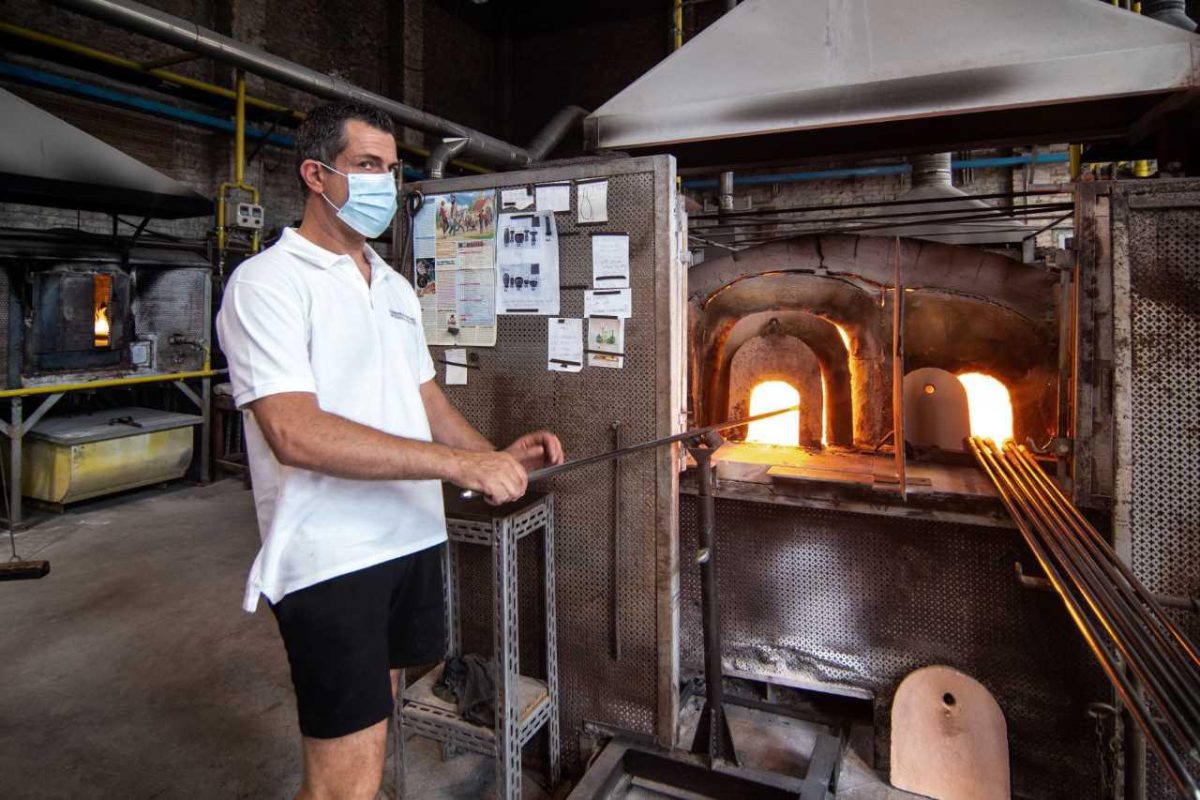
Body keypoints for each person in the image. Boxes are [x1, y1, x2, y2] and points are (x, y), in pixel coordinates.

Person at [216, 102, 564, 800]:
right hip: (331, 558)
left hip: (407, 538)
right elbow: (293, 431)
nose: (386, 182)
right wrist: (461, 467)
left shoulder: (395, 286)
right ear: (316, 174)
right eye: (367, 165)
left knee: (374, 738)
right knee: (343, 780)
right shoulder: (267, 283)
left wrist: (493, 456)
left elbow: (424, 401)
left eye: (392, 168)